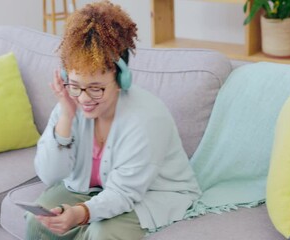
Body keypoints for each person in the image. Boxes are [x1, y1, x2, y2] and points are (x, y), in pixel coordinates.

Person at [26, 1, 200, 239]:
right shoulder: (71, 103)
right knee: (37, 222)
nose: (85, 98)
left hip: (151, 193)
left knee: (101, 233)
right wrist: (66, 117)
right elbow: (49, 175)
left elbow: (124, 192)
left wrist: (80, 213)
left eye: (96, 88)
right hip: (94, 190)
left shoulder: (147, 118)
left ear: (121, 80)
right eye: (76, 86)